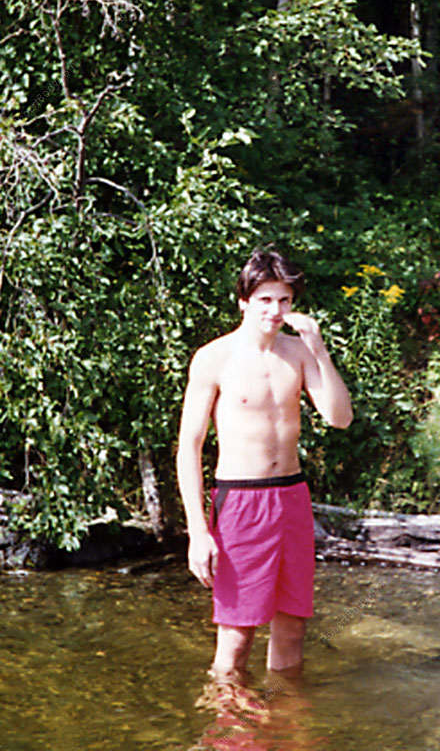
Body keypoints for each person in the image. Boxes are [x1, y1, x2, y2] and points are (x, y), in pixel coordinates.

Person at [177, 247, 353, 681]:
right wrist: (198, 532)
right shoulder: (214, 358)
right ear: (244, 301)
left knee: (292, 628)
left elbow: (339, 418)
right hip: (240, 501)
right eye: (266, 300)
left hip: (291, 496)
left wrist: (320, 351)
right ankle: (228, 736)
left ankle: (283, 729)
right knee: (237, 636)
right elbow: (189, 447)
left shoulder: (298, 353)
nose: (276, 311)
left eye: (285, 300)